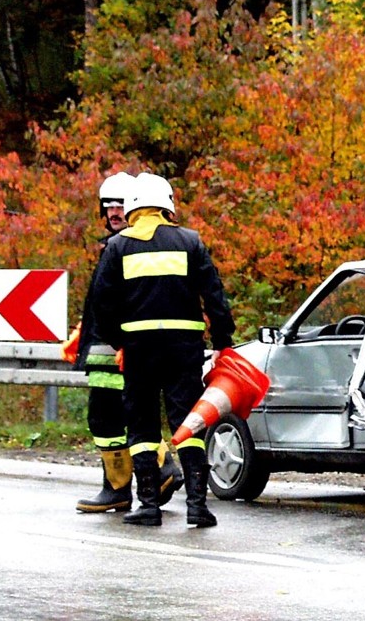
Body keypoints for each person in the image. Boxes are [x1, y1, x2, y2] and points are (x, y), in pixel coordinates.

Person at [92, 172, 236, 528]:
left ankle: (149, 506)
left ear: (133, 208)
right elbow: (215, 297)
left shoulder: (118, 246)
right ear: (167, 204)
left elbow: (101, 304)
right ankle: (198, 506)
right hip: (184, 348)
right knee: (188, 422)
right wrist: (222, 343)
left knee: (142, 427)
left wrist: (118, 342)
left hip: (139, 350)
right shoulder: (190, 241)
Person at [71, 171, 183, 514]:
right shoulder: (123, 246)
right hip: (118, 352)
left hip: (124, 353)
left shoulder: (123, 248)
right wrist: (82, 332)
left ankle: (127, 484)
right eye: (109, 206)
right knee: (125, 417)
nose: (115, 212)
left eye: (121, 205)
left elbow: (117, 302)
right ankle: (152, 475)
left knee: (114, 419)